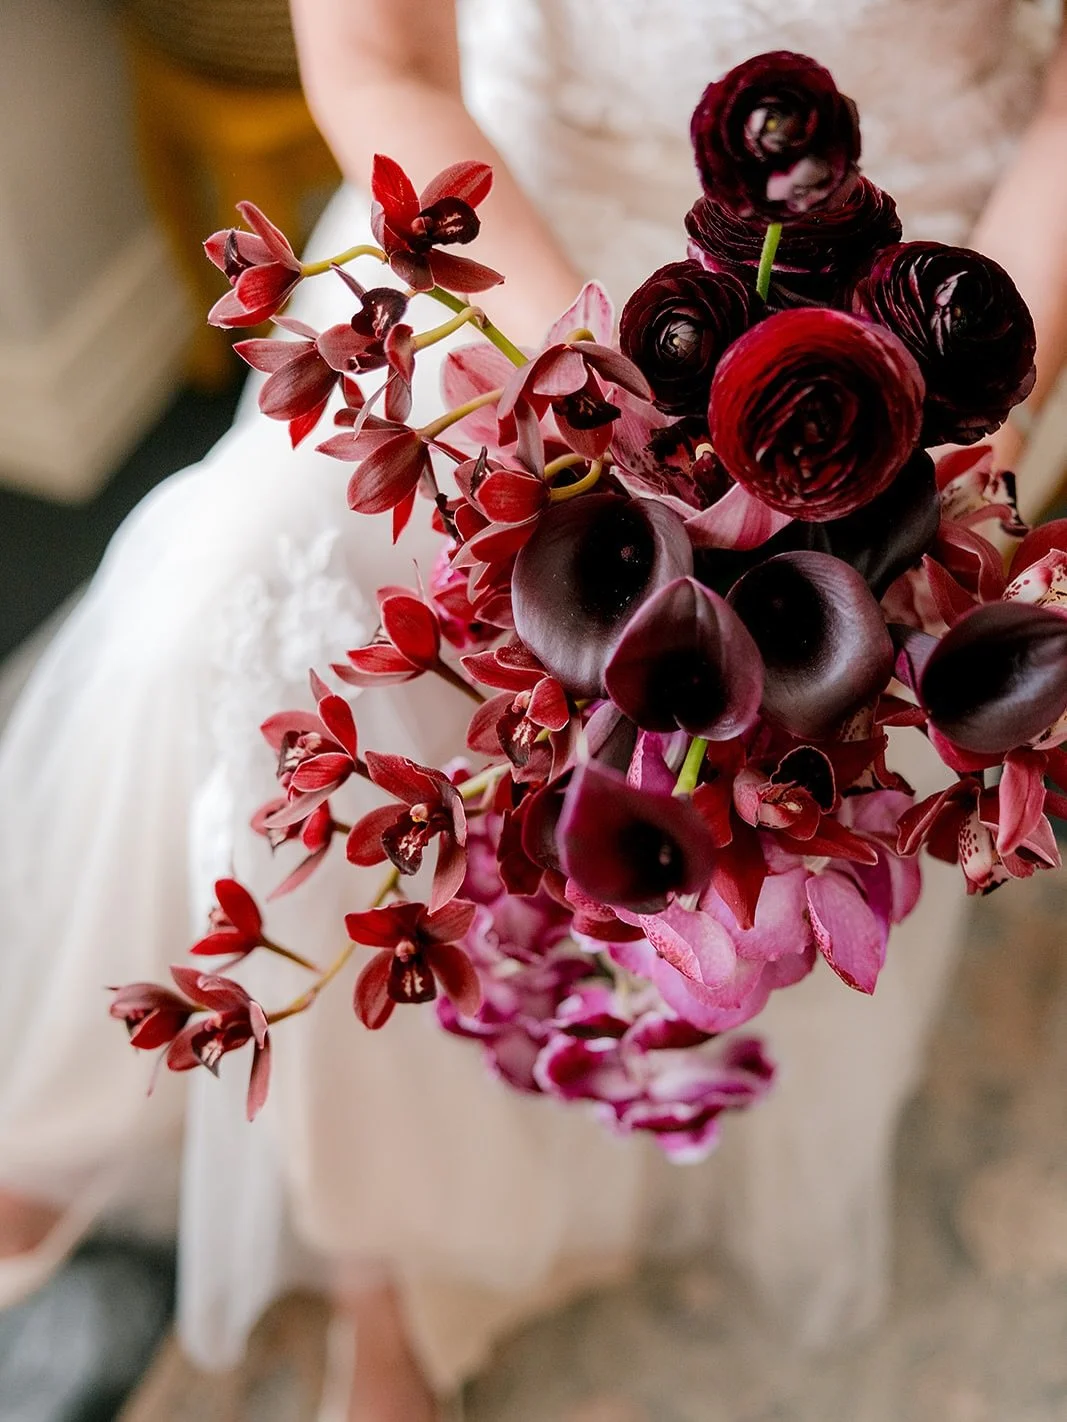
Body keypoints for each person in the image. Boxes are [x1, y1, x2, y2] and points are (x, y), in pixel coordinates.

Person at [2, 2, 1066, 1419]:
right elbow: (375, 59)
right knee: (242, 606)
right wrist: (601, 403)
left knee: (750, 773)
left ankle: (411, 1267)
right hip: (498, 241)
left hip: (908, 314)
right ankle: (332, 1219)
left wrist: (954, 407)